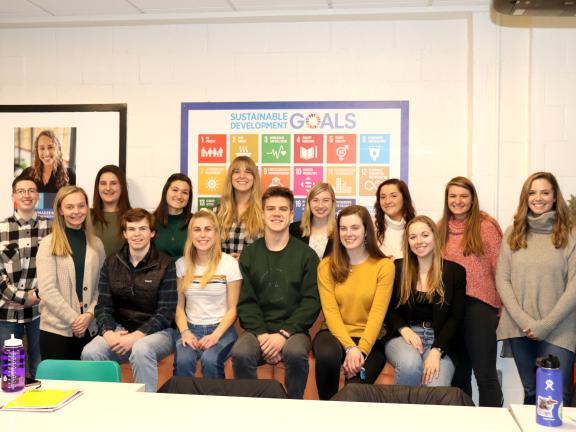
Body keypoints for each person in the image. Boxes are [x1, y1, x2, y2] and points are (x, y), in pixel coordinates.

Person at [231, 186, 320, 399]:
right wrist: (262, 335)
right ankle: (251, 408)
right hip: (257, 331)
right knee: (241, 352)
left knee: (296, 352)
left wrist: (284, 334)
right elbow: (246, 302)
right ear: (262, 214)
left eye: (283, 209)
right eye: (270, 209)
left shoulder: (307, 255)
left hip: (294, 331)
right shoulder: (250, 254)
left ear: (291, 215)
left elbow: (311, 302)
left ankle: (293, 407)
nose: (276, 213)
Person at [496, 171, 576, 405]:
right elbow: (503, 279)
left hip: (560, 328)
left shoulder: (570, 234)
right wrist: (525, 321)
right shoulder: (513, 233)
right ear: (525, 197)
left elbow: (574, 285)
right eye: (532, 192)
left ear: (554, 197)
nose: (538, 198)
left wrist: (545, 325)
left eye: (544, 192)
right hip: (520, 327)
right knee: (531, 393)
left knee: (553, 397)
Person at [81, 208, 177, 392]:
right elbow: (104, 306)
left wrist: (136, 336)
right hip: (119, 329)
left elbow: (166, 312)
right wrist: (108, 332)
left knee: (141, 349)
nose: (137, 234)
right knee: (90, 352)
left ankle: (144, 408)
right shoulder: (111, 262)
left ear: (152, 233)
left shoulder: (166, 264)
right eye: (131, 229)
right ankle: (106, 405)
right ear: (125, 234)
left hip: (158, 333)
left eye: (142, 228)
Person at [314, 205, 394, 400]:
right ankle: (327, 412)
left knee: (354, 390)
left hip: (371, 339)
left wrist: (361, 350)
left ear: (366, 230)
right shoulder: (326, 266)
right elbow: (330, 312)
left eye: (355, 228)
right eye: (343, 228)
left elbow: (377, 314)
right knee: (326, 356)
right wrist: (350, 348)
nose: (348, 233)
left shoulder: (384, 267)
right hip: (334, 334)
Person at [437, 176, 503, 407]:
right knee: (458, 377)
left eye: (463, 196)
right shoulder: (439, 228)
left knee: (484, 375)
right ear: (446, 200)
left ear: (472, 199)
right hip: (450, 311)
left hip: (480, 307)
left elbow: (501, 268)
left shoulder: (486, 226)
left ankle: (493, 425)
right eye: (452, 196)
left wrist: (503, 306)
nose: (458, 201)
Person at [385, 215, 465, 387]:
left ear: (435, 237)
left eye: (425, 235)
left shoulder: (455, 272)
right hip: (404, 337)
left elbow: (456, 318)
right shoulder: (398, 268)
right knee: (410, 365)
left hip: (440, 340)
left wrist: (437, 350)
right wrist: (403, 329)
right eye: (413, 237)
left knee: (435, 383)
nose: (419, 241)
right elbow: (389, 309)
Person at [37, 186, 105, 360]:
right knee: (58, 386)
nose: (76, 211)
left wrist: (89, 315)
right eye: (70, 207)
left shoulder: (96, 244)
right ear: (60, 210)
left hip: (90, 328)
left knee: (88, 385)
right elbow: (47, 290)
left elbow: (102, 287)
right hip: (56, 331)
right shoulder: (48, 243)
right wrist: (75, 319)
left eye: (81, 206)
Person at [174, 210, 242, 378]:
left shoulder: (229, 264)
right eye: (197, 229)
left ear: (216, 233)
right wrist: (184, 332)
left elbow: (233, 309)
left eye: (208, 229)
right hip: (191, 328)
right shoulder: (181, 265)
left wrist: (215, 336)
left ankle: (214, 403)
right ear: (190, 234)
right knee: (183, 361)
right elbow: (179, 307)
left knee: (210, 360)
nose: (202, 235)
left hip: (222, 330)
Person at [0, 175, 51, 378]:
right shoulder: (1, 228)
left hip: (40, 312)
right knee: (11, 373)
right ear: (13, 196)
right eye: (21, 191)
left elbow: (54, 270)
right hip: (6, 315)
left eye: (31, 190)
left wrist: (36, 295)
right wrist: (21, 297)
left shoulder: (51, 229)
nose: (26, 195)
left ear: (37, 196)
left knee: (41, 368)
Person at [216, 156, 263, 259]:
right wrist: (226, 259)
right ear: (231, 177)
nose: (242, 176)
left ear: (254, 177)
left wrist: (245, 259)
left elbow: (272, 248)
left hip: (253, 273)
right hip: (224, 273)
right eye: (236, 171)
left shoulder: (264, 212)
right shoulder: (217, 212)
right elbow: (208, 249)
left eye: (248, 171)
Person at [91, 165, 131, 257]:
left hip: (122, 271)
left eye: (113, 183)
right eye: (103, 183)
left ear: (122, 186)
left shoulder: (134, 217)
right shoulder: (85, 216)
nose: (108, 188)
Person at [289, 182, 335, 259]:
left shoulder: (341, 231)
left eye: (325, 200)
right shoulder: (293, 230)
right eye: (315, 200)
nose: (320, 205)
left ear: (332, 203)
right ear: (309, 203)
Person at [153, 173, 193, 260]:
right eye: (175, 190)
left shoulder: (195, 222)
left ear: (189, 197)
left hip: (188, 273)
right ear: (166, 191)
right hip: (158, 272)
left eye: (185, 192)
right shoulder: (150, 221)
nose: (179, 196)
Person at [374, 179, 416, 260]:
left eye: (393, 196)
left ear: (404, 198)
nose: (387, 201)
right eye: (383, 197)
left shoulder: (416, 226)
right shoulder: (371, 226)